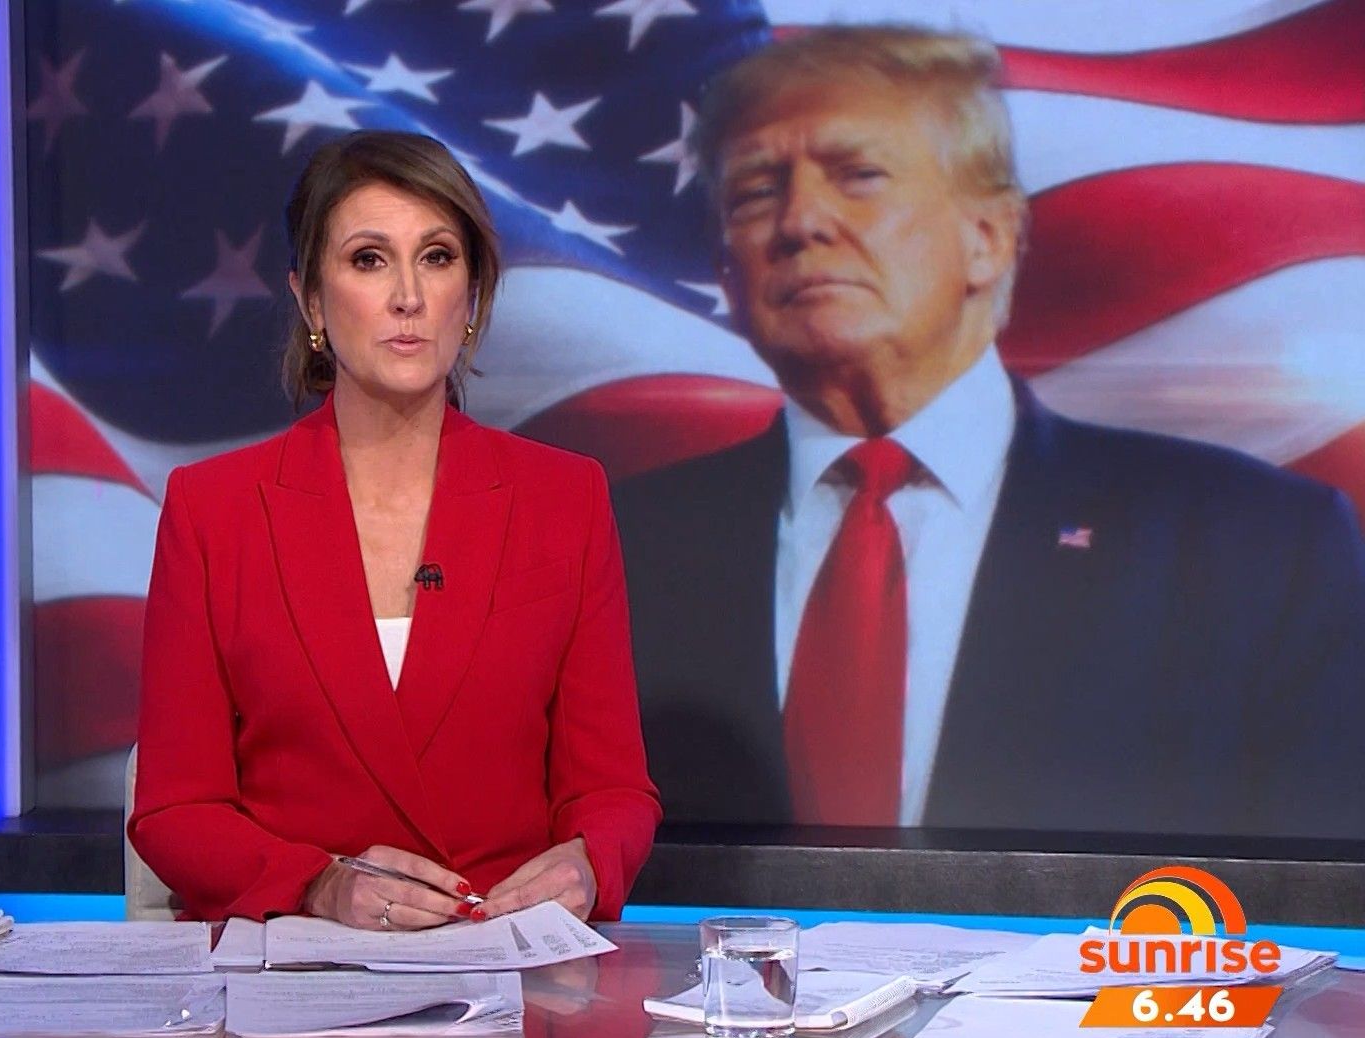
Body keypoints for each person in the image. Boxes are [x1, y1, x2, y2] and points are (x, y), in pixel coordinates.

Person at [614, 25, 1365, 838]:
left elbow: (1314, 881)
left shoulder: (1254, 546)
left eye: (858, 175)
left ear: (990, 238)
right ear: (727, 272)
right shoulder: (619, 547)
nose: (800, 220)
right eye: (756, 193)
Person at [129, 130, 661, 927]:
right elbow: (176, 811)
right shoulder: (214, 511)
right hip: (294, 967)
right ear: (312, 300)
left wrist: (588, 861)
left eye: (437, 257)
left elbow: (612, 789)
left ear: (471, 297)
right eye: (369, 259)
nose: (408, 295)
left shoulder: (564, 499)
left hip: (499, 960)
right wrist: (318, 885)